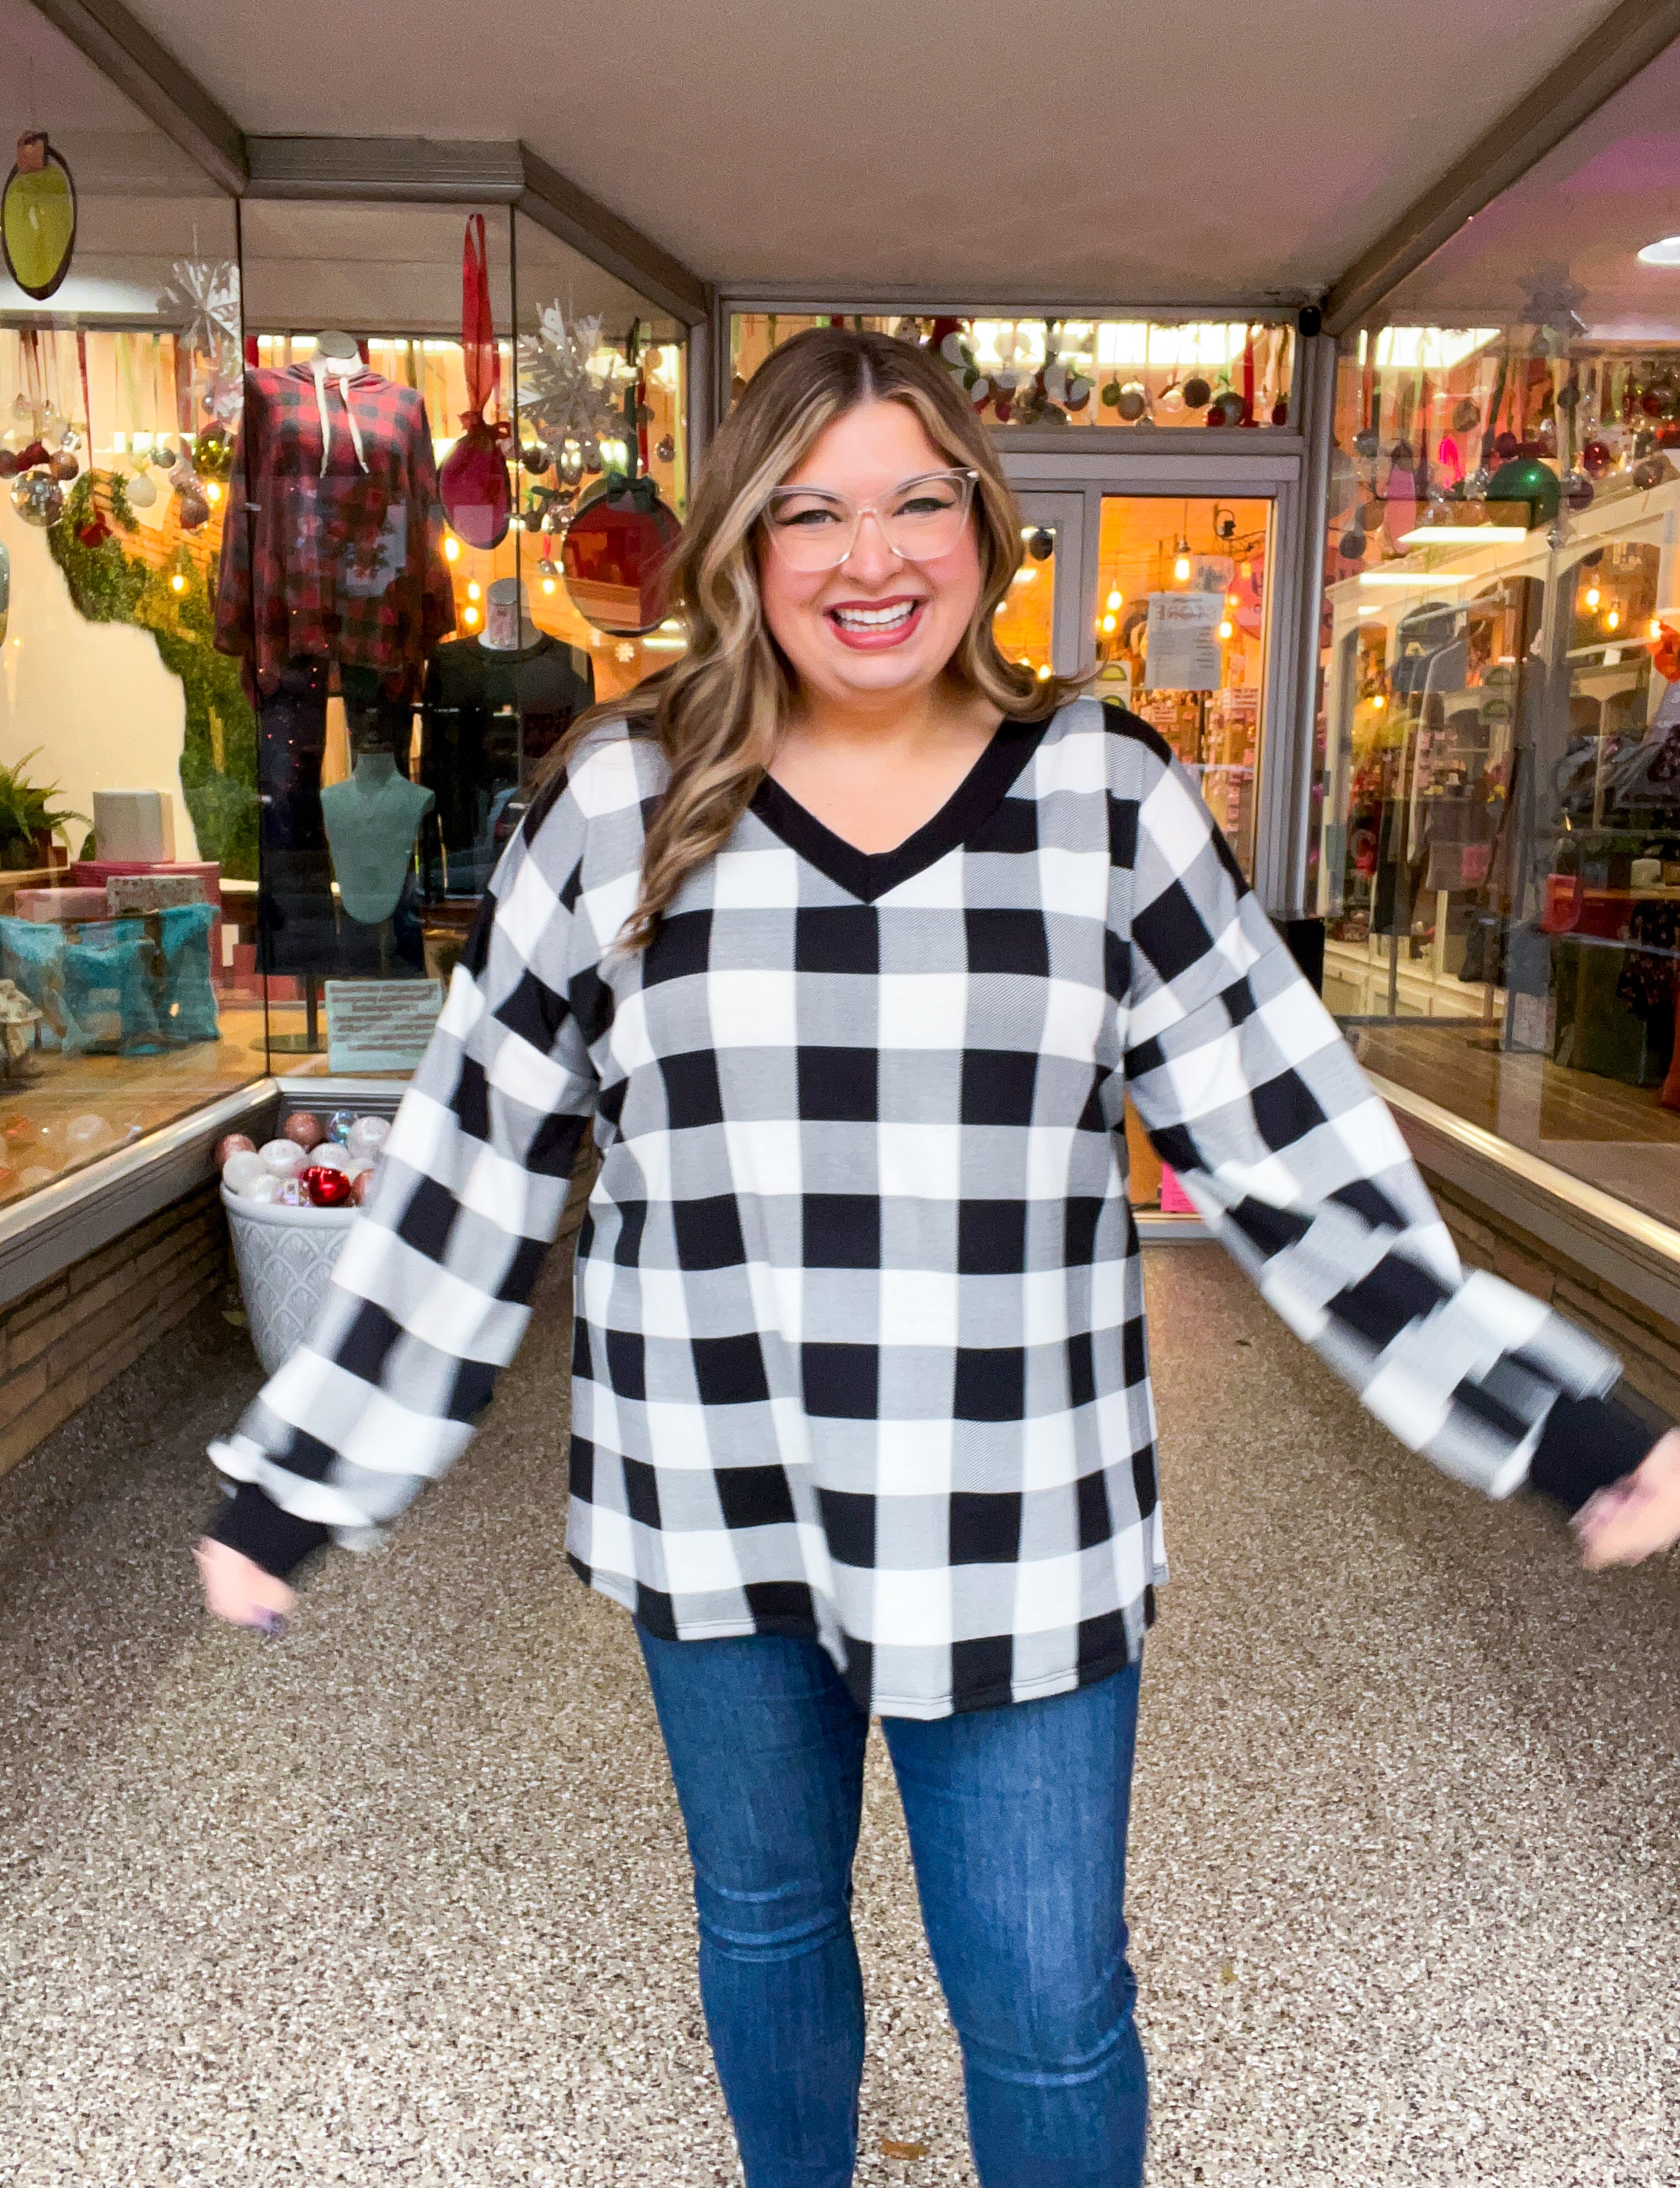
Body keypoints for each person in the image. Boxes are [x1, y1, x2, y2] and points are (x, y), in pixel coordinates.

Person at [197, 329, 1680, 2188]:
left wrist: (1556, 1423)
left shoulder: (1105, 804)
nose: (868, 557)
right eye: (809, 510)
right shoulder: (617, 805)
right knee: (764, 1931)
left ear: (986, 530)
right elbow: (476, 1161)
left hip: (1018, 1510)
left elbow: (1295, 1160)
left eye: (916, 501)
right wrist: (303, 1480)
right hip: (711, 1497)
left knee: (1050, 2007)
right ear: (742, 546)